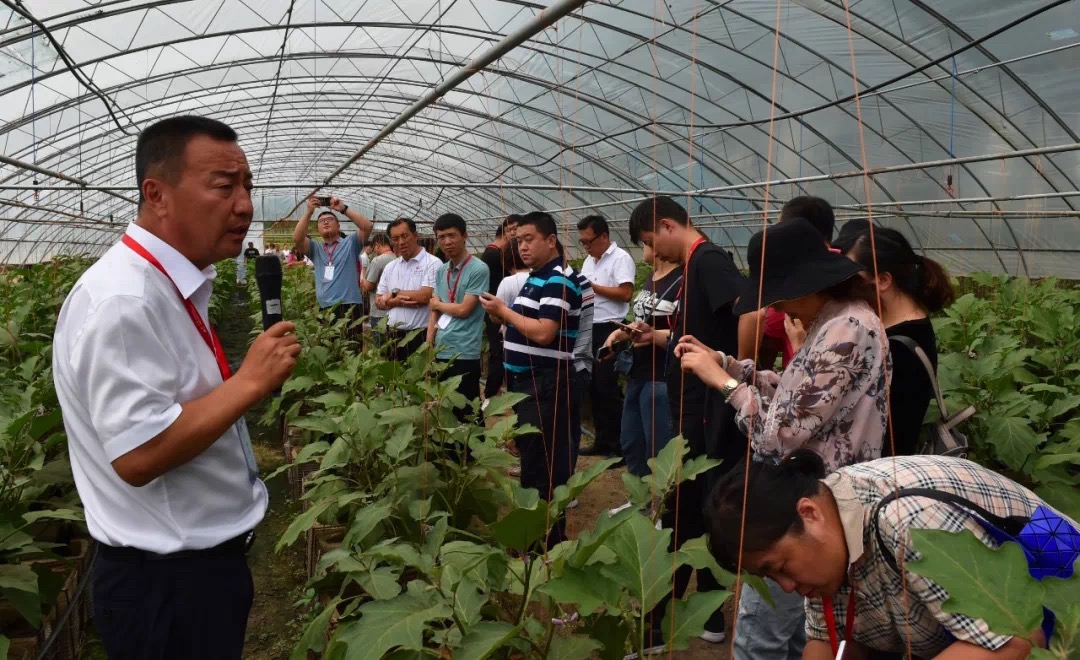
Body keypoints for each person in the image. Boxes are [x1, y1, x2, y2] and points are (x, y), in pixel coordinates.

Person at [51, 116, 301, 660]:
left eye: (247, 186)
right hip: (166, 588)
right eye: (224, 186)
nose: (244, 205)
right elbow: (139, 454)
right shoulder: (125, 300)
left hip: (193, 576)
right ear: (157, 195)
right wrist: (249, 382)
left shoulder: (169, 283)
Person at [677, 217, 889, 660]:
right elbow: (796, 393)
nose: (777, 307)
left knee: (761, 636)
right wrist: (729, 364)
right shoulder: (834, 320)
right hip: (813, 496)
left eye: (778, 295)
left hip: (807, 506)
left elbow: (781, 434)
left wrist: (723, 384)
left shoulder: (848, 328)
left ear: (805, 284)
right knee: (798, 632)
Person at [706, 450, 1072, 660]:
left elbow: (1017, 640)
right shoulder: (829, 527)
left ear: (809, 513)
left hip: (1067, 618)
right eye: (770, 577)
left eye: (780, 567)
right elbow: (828, 641)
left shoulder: (907, 520)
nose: (786, 586)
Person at [626, 195, 747, 649]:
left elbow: (750, 310)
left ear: (667, 226)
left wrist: (731, 365)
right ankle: (706, 613)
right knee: (699, 508)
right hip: (696, 406)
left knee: (684, 510)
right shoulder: (694, 266)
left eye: (650, 240)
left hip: (706, 410)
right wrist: (668, 337)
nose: (652, 252)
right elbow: (702, 329)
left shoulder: (708, 259)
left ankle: (660, 622)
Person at [479, 212, 581, 548]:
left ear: (551, 240)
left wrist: (504, 311)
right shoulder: (537, 278)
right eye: (518, 240)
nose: (522, 246)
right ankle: (538, 543)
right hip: (532, 385)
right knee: (535, 463)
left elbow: (544, 333)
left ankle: (544, 548)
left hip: (547, 384)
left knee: (543, 470)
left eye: (529, 239)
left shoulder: (558, 279)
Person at [847, 227, 955, 456]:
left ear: (883, 280)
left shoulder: (897, 346)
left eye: (854, 278)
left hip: (881, 467)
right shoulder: (910, 326)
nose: (849, 286)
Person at [603, 243, 680, 511]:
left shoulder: (682, 280)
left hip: (662, 376)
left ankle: (662, 510)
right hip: (638, 372)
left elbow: (686, 332)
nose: (643, 246)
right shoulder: (652, 277)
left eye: (646, 241)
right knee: (632, 440)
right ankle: (639, 500)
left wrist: (653, 336)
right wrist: (621, 333)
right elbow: (644, 321)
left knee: (659, 447)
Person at [741, 196, 837, 371]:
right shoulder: (850, 278)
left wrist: (733, 378)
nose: (776, 306)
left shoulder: (793, 283)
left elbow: (768, 344)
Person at [577, 214, 635, 458]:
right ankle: (602, 440)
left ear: (603, 236)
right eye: (582, 242)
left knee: (607, 386)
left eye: (588, 241)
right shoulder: (589, 261)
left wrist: (591, 287)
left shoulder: (620, 258)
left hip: (611, 329)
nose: (586, 246)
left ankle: (619, 446)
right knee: (593, 386)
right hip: (590, 326)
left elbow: (625, 293)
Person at [427, 213, 490, 423]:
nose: (447, 242)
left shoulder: (478, 269)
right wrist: (429, 344)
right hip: (442, 348)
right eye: (441, 237)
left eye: (452, 235)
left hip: (464, 351)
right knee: (446, 409)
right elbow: (434, 311)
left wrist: (438, 304)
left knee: (467, 409)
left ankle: (475, 444)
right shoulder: (441, 270)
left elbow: (465, 309)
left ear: (464, 236)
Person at [292, 196, 374, 339]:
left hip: (349, 306)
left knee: (351, 347)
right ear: (318, 228)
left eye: (330, 219)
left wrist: (343, 209)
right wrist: (309, 212)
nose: (325, 222)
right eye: (321, 221)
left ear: (338, 226)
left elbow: (367, 226)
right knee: (329, 349)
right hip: (325, 308)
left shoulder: (351, 243)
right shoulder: (315, 248)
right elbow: (297, 239)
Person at [376, 217, 441, 361]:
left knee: (418, 373)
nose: (401, 242)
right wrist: (396, 301)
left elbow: (425, 296)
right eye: (395, 238)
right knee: (393, 373)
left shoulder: (432, 263)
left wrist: (393, 293)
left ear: (415, 235)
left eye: (405, 236)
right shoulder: (390, 267)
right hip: (392, 334)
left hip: (420, 334)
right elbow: (378, 301)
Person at [481, 215, 521, 404]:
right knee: (500, 351)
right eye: (510, 229)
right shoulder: (495, 254)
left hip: (497, 308)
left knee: (500, 350)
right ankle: (491, 394)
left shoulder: (492, 252)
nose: (514, 233)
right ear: (503, 233)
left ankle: (494, 392)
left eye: (516, 229)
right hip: (497, 309)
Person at [361, 232, 395, 340]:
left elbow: (369, 286)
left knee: (380, 343)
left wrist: (363, 281)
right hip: (394, 309)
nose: (374, 251)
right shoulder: (397, 258)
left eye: (374, 248)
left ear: (377, 245)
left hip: (379, 311)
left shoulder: (378, 260)